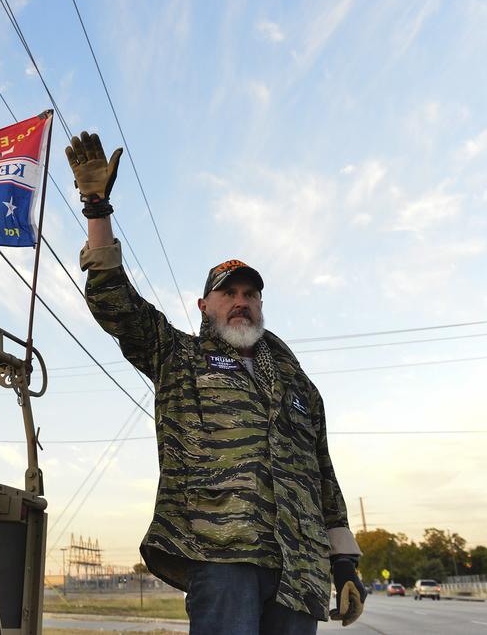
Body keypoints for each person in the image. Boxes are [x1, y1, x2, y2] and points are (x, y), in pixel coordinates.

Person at [65, 131, 365, 634]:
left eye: (250, 293)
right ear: (205, 306)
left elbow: (324, 475)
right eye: (228, 293)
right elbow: (115, 302)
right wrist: (97, 207)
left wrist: (345, 565)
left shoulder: (298, 385)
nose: (241, 300)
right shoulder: (179, 356)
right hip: (222, 559)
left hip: (300, 569)